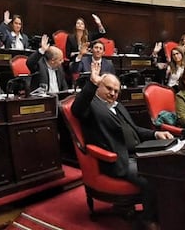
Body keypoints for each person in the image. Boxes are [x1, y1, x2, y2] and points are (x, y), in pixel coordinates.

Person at [73, 62, 171, 230]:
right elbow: (77, 108)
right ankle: (148, 220)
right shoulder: (91, 105)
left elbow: (135, 129)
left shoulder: (118, 106)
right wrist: (92, 83)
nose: (113, 94)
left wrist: (155, 134)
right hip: (117, 160)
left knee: (167, 168)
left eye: (116, 91)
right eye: (109, 89)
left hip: (137, 153)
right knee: (151, 179)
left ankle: (164, 212)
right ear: (98, 87)